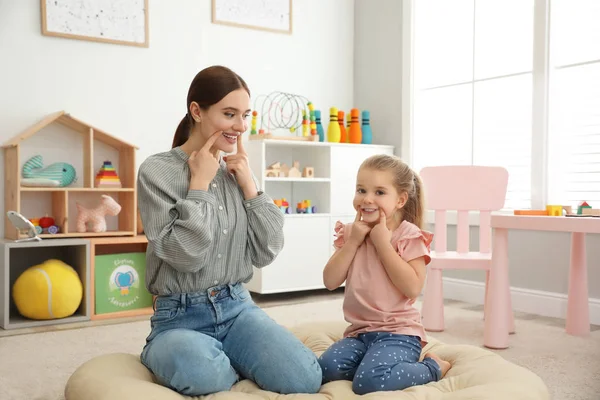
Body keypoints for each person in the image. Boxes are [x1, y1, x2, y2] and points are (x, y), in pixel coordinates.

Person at [136, 65, 322, 396]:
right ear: (197, 111)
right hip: (178, 317)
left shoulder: (237, 172)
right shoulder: (156, 171)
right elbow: (185, 256)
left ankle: (228, 356)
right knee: (203, 374)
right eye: (229, 113)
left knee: (303, 378)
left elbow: (268, 250)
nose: (240, 126)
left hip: (237, 306)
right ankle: (167, 352)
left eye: (245, 115)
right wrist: (200, 185)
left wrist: (249, 186)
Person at [318, 154, 451, 395]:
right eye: (361, 190)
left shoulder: (408, 236)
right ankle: (371, 360)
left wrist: (383, 245)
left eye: (379, 192)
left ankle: (433, 367)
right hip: (359, 333)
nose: (367, 199)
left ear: (400, 200)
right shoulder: (351, 233)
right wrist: (353, 242)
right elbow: (330, 281)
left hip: (399, 334)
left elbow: (412, 288)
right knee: (325, 370)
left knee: (369, 383)